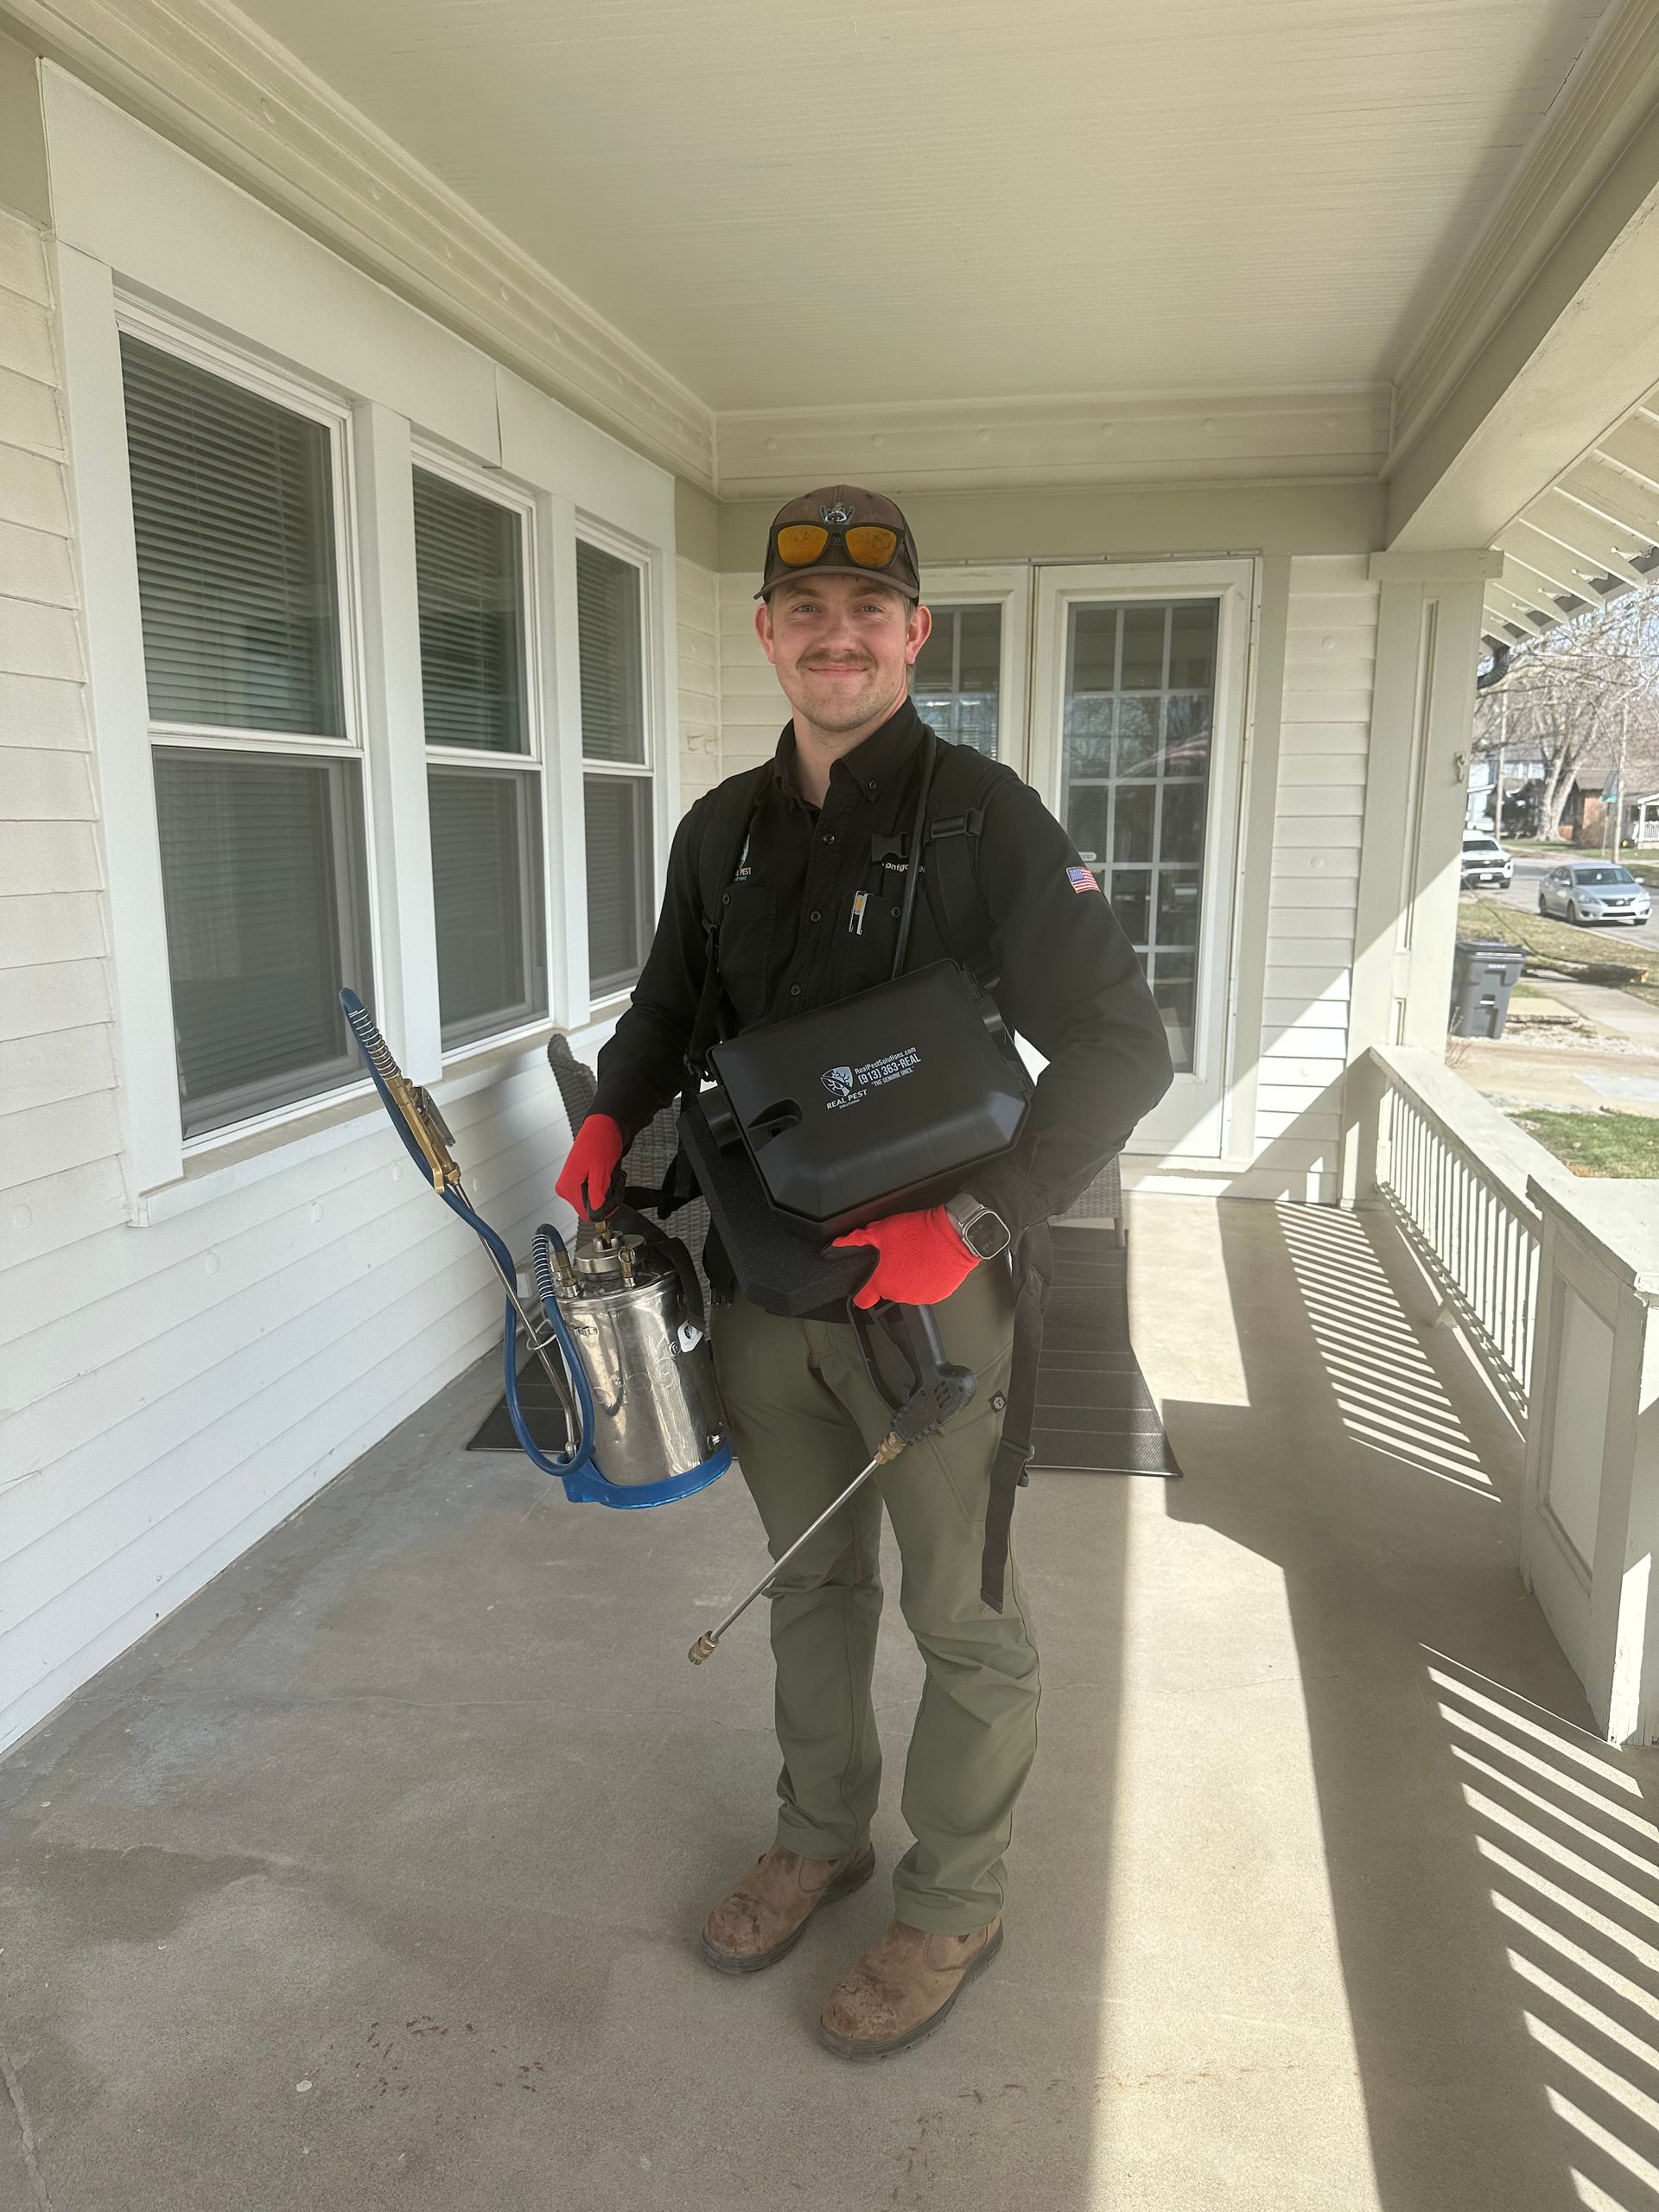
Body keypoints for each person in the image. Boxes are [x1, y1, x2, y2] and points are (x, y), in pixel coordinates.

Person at [556, 486, 1173, 2058]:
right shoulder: (720, 832)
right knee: (808, 1582)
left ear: (914, 635)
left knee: (962, 1619)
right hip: (768, 1294)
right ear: (768, 633)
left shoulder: (987, 820)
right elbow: (665, 1012)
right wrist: (612, 1119)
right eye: (805, 613)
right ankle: (818, 1828)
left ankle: (954, 1895)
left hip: (933, 1299)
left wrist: (976, 1222)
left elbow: (1122, 1043)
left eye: (869, 612)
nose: (837, 636)